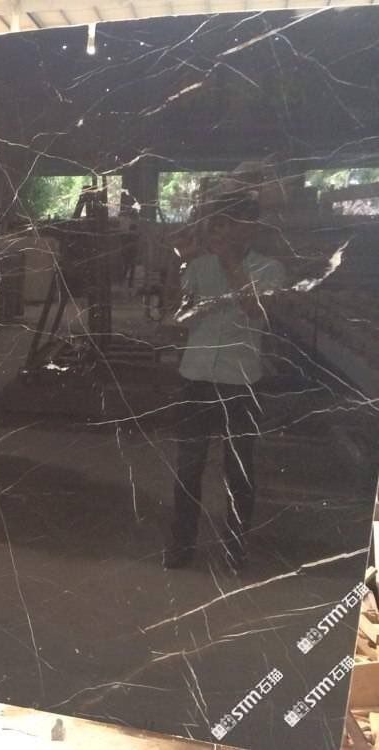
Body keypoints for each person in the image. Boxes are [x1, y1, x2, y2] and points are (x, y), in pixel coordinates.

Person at [163, 190, 285, 572]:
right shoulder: (199, 267)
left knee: (238, 470)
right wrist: (180, 261)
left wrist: (231, 263)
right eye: (221, 224)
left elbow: (255, 311)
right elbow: (175, 319)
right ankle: (181, 546)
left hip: (240, 381)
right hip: (196, 377)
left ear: (250, 229)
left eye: (233, 224)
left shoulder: (270, 270)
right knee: (188, 468)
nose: (225, 231)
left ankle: (235, 550)